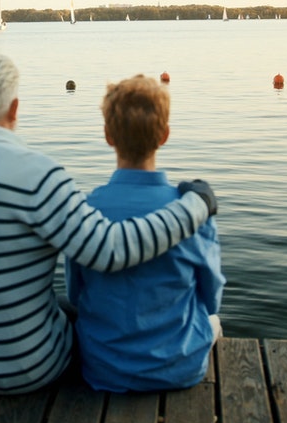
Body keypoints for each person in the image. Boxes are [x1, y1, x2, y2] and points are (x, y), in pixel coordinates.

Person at [0, 52, 217, 395]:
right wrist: (196, 205)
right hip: (28, 369)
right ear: (14, 108)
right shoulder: (36, 174)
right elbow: (111, 250)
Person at [66, 74, 225, 392]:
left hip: (103, 369)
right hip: (179, 369)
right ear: (164, 135)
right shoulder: (192, 211)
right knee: (215, 322)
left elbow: (74, 293)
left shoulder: (85, 210)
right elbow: (211, 300)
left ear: (108, 135)